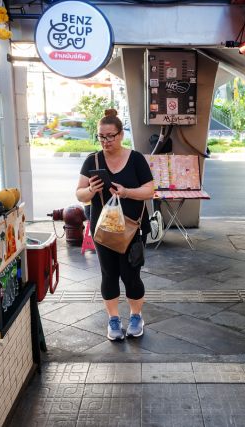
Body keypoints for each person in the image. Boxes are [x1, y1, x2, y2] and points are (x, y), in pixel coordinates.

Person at [76, 109, 155, 341]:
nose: (106, 141)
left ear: (121, 134)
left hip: (133, 228)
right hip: (104, 230)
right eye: (101, 136)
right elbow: (79, 194)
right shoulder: (93, 160)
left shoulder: (136, 159)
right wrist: (91, 190)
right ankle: (113, 320)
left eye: (110, 136)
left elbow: (150, 190)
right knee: (108, 275)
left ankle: (135, 316)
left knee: (131, 276)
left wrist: (127, 192)